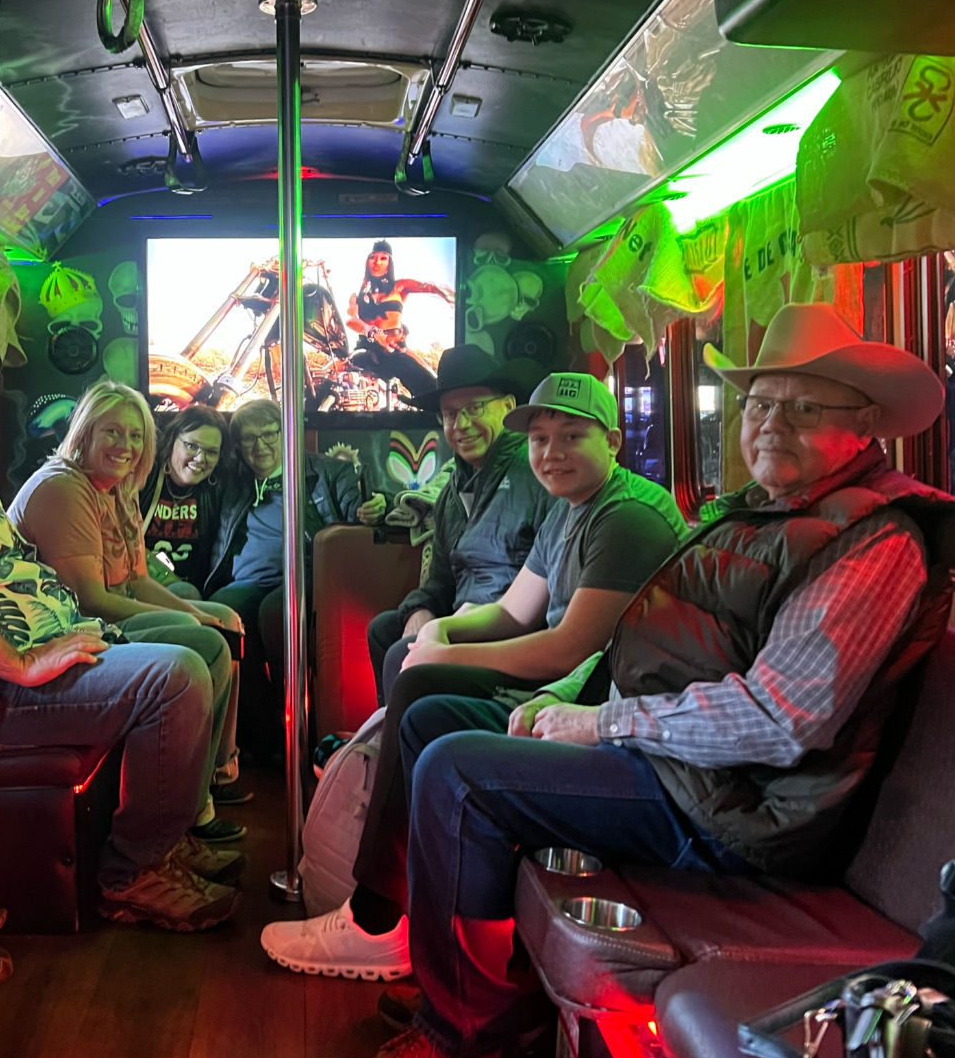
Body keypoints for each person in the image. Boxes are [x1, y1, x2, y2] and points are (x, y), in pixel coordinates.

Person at [325, 304, 955, 1058]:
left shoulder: (873, 542)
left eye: (806, 408)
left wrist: (600, 722)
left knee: (461, 770)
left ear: (866, 425)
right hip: (690, 771)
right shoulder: (765, 513)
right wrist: (506, 670)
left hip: (741, 810)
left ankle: (463, 1037)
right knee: (439, 723)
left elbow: (782, 719)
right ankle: (479, 986)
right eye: (762, 404)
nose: (772, 425)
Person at [261, 371, 686, 980]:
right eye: (541, 440)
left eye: (572, 436)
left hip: (599, 708)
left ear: (613, 442)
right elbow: (513, 610)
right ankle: (388, 912)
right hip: (569, 689)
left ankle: (378, 919)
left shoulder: (627, 519)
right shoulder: (569, 511)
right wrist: (441, 631)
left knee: (423, 690)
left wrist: (445, 658)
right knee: (415, 676)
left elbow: (566, 650)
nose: (552, 453)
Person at [0, 333, 240, 932]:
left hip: (50, 645)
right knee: (179, 675)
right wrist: (23, 665)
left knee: (206, 646)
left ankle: (169, 837)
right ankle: (131, 874)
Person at [10, 380, 247, 843]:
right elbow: (90, 598)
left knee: (221, 617)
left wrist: (200, 613)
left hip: (99, 611)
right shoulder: (64, 486)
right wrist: (190, 621)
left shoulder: (117, 489)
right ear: (85, 433)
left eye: (136, 436)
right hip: (64, 628)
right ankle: (189, 812)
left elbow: (137, 579)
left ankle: (212, 778)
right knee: (200, 639)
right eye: (112, 433)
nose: (126, 446)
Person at [360, 346, 556, 708]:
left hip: (513, 634)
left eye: (475, 409)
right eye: (450, 414)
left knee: (403, 652)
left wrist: (451, 630)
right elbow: (441, 581)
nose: (461, 425)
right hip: (463, 623)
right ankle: (392, 742)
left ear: (508, 406)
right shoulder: (453, 491)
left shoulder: (537, 473)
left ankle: (391, 754)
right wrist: (419, 609)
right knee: (384, 630)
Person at [202, 396, 381, 759]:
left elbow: (361, 510)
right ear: (238, 448)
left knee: (276, 610)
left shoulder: (328, 471)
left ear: (286, 433)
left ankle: (301, 728)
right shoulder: (234, 482)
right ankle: (260, 732)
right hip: (247, 581)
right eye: (249, 440)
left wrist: (378, 505)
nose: (260, 447)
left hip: (309, 575)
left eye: (269, 435)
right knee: (221, 612)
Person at [140, 404, 230, 600]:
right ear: (172, 439)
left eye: (211, 452)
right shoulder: (144, 477)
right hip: (142, 582)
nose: (200, 459)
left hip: (195, 589)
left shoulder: (219, 489)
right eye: (192, 446)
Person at [346, 240, 455, 402]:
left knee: (430, 381)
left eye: (383, 258)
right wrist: (370, 330)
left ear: (389, 263)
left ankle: (430, 411)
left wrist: (446, 293)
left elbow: (428, 286)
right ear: (367, 261)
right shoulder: (358, 295)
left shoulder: (399, 287)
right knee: (356, 362)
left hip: (396, 349)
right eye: (373, 257)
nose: (377, 262)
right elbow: (351, 320)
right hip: (367, 348)